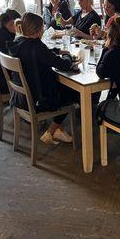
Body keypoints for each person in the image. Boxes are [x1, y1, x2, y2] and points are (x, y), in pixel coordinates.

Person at [7, 12, 78, 145]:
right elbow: (64, 65)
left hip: (19, 98)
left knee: (63, 89)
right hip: (38, 100)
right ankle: (52, 131)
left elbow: (44, 54)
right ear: (38, 30)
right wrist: (68, 56)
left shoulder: (18, 42)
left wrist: (56, 51)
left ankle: (58, 129)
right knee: (72, 92)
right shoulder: (37, 47)